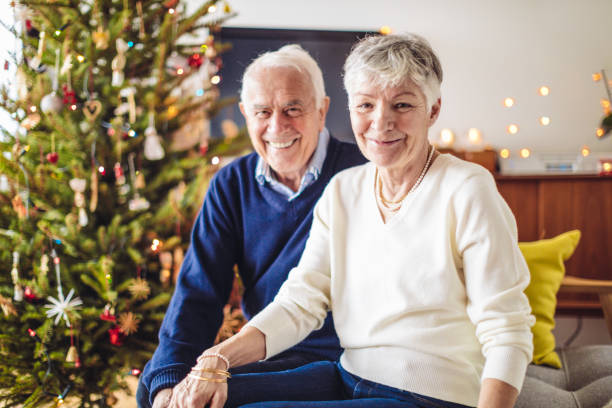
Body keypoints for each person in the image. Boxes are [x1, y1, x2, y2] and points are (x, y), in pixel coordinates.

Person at [166, 34, 535, 408]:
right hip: (348, 375)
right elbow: (300, 302)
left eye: (402, 104)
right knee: (207, 400)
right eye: (365, 105)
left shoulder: (468, 189)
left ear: (433, 110)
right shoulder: (344, 189)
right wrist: (217, 358)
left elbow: (507, 330)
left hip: (431, 395)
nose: (381, 123)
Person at [137, 44, 366, 408]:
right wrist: (170, 377)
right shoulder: (230, 184)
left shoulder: (363, 174)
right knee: (159, 387)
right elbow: (198, 293)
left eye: (293, 108)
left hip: (344, 359)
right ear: (246, 114)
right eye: (263, 112)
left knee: (215, 399)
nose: (277, 126)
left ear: (321, 111)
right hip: (264, 351)